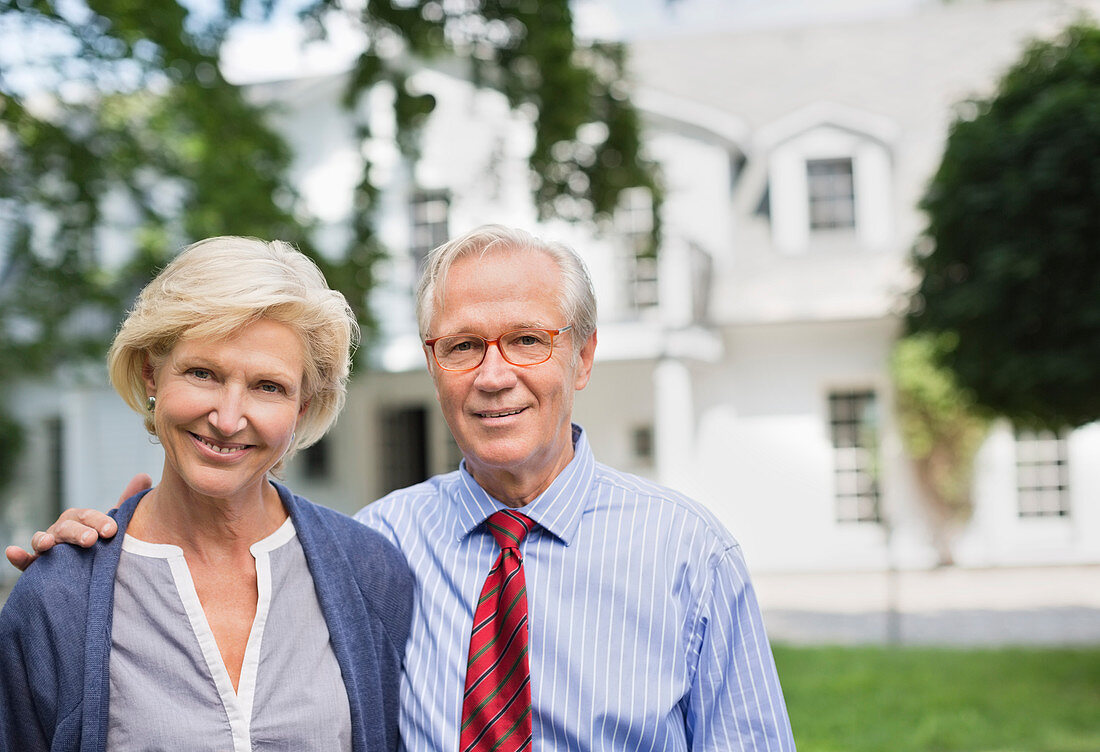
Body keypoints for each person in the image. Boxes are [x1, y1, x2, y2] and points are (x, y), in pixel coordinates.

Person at [11, 225, 796, 750]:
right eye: (462, 346)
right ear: (432, 364)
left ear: (582, 359)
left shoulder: (688, 554)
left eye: (527, 340)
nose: (494, 376)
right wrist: (86, 557)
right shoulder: (378, 548)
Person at [0, 237, 414, 752]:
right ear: (152, 372)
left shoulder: (371, 573)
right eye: (203, 373)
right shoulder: (58, 598)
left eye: (268, 386)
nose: (227, 417)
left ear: (302, 409)